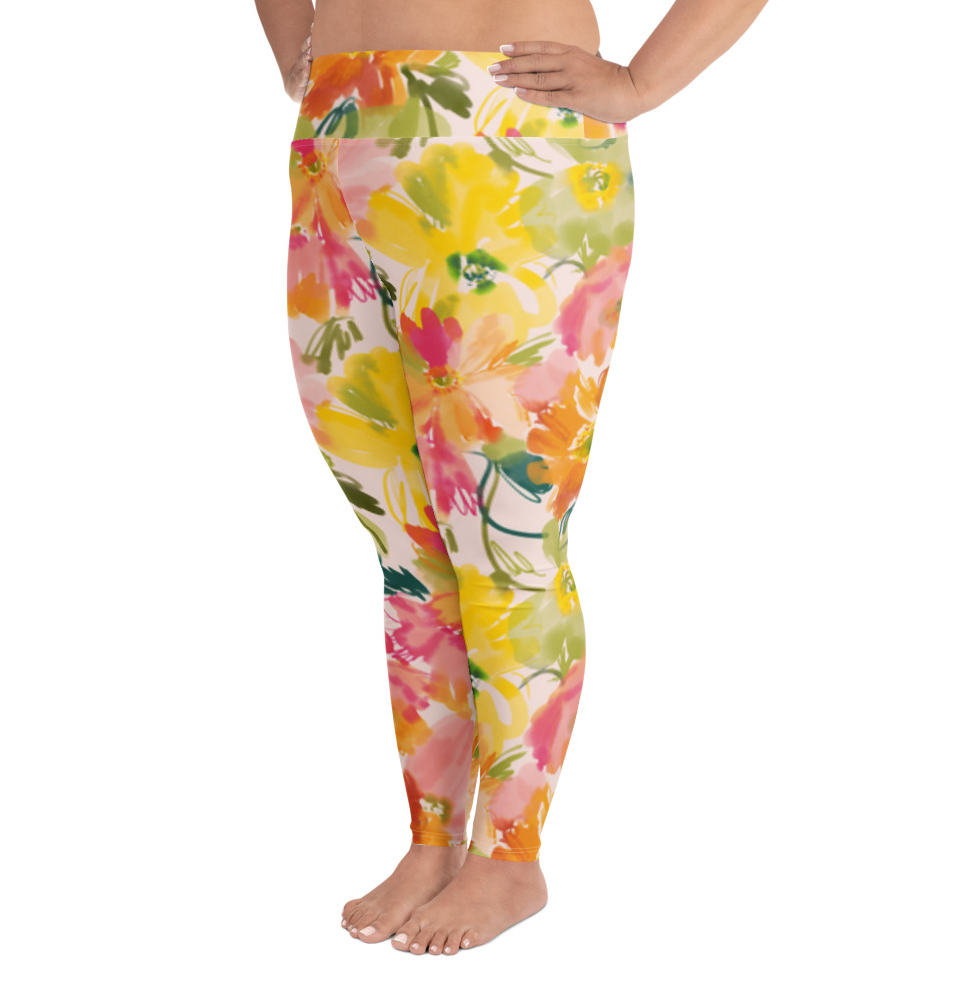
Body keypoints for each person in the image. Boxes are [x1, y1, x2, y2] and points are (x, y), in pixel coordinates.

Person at [254, 0, 769, 955]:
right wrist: (298, 54)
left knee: (505, 532)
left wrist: (642, 82)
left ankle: (512, 855)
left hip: (510, 131)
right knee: (405, 539)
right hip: (338, 132)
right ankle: (434, 840)